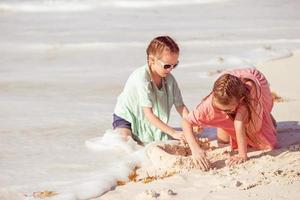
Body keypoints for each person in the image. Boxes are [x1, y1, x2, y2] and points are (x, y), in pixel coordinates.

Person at [182, 68, 277, 170]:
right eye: (219, 109)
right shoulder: (212, 101)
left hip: (254, 85)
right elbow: (186, 121)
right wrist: (195, 149)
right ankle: (226, 117)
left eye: (226, 110)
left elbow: (238, 124)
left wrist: (242, 155)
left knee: (259, 136)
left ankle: (265, 115)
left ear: (240, 101)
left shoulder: (250, 90)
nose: (222, 112)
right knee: (223, 141)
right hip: (227, 86)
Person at [113, 36, 189, 145]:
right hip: (126, 117)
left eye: (175, 65)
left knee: (158, 142)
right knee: (125, 142)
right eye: (167, 66)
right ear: (152, 60)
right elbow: (149, 114)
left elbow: (180, 106)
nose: (170, 69)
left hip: (147, 119)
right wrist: (173, 133)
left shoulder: (169, 79)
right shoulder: (142, 78)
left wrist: (192, 122)